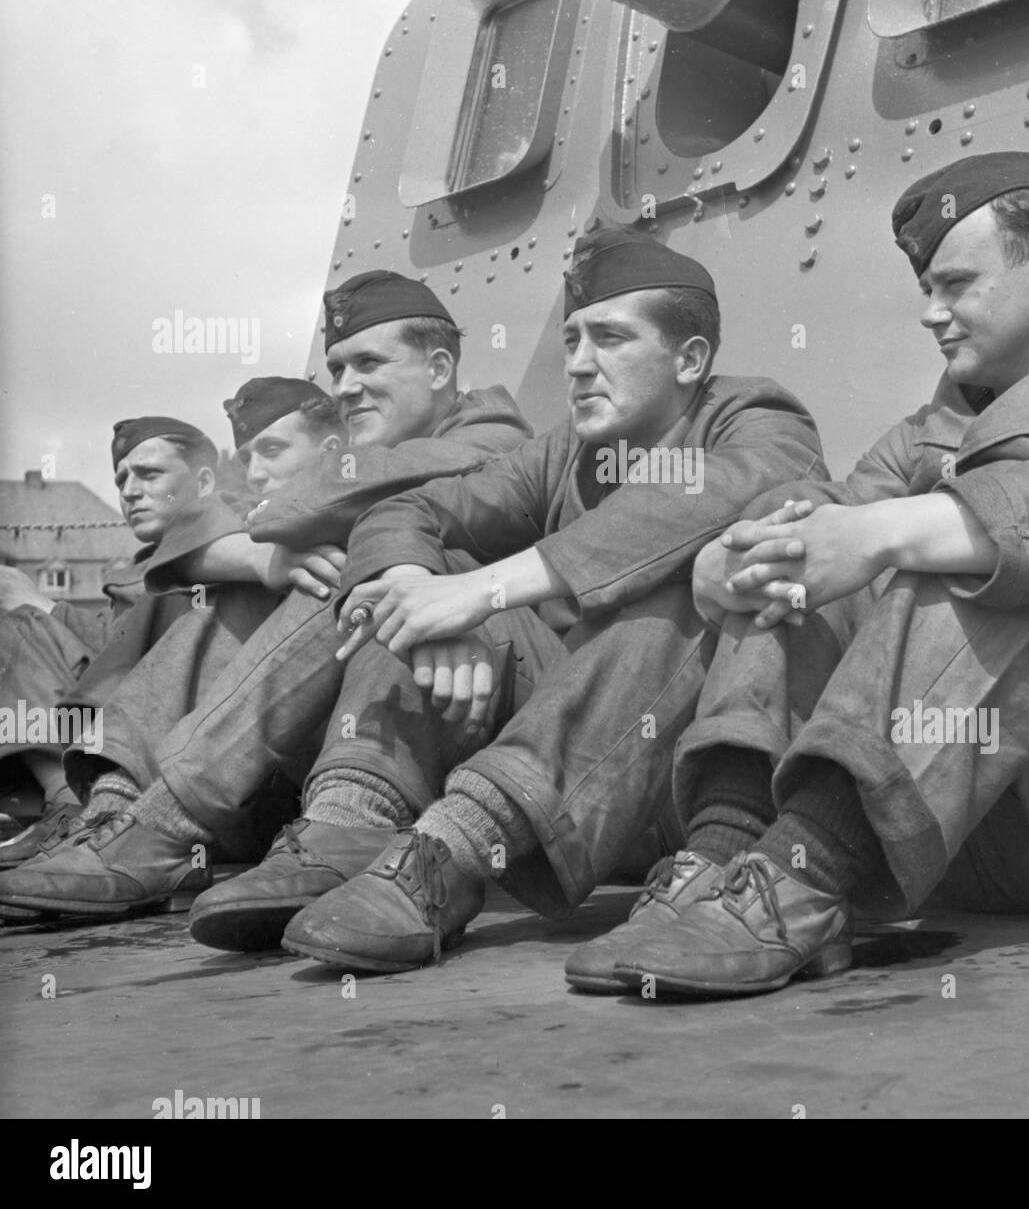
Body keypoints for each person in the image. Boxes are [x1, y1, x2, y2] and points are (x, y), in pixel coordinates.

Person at [563, 151, 1029, 997]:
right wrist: (730, 566)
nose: (931, 314)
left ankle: (805, 880)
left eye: (954, 284)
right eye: (924, 291)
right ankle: (729, 855)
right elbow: (829, 526)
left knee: (995, 539)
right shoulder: (924, 437)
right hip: (962, 835)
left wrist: (898, 529)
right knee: (802, 525)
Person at [209, 224, 829, 972]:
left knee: (692, 577)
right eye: (570, 341)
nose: (578, 365)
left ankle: (455, 853)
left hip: (683, 787)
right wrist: (422, 595)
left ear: (690, 359)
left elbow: (713, 499)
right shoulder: (563, 449)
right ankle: (354, 821)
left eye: (609, 339)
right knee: (420, 578)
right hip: (565, 790)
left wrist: (486, 589)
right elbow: (408, 513)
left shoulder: (760, 418)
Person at [0, 273, 530, 917]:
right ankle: (120, 816)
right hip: (394, 708)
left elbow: (313, 500)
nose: (346, 387)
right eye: (337, 368)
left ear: (440, 367)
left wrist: (268, 533)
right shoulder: (376, 451)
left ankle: (169, 828)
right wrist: (260, 558)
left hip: (494, 708)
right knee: (241, 589)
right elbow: (184, 542)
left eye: (369, 363)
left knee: (341, 567)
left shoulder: (493, 436)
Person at [0, 418, 217, 868]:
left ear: (204, 481)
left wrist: (40, 608)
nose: (130, 491)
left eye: (150, 474)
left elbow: (130, 647)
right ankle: (55, 802)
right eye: (122, 479)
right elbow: (115, 631)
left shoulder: (217, 554)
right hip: (121, 728)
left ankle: (65, 804)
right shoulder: (148, 562)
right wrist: (41, 605)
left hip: (172, 748)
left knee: (17, 631)